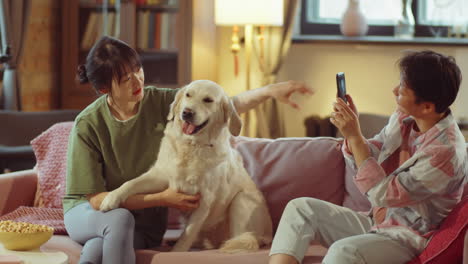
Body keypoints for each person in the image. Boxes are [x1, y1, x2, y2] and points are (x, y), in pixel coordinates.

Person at [63, 36, 313, 264]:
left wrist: (269, 91)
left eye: (137, 69)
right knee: (118, 218)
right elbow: (97, 201)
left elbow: (224, 105)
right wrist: (161, 199)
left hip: (143, 226)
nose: (137, 80)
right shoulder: (89, 123)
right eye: (125, 78)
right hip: (89, 213)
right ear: (106, 88)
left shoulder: (159, 101)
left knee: (97, 250)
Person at [268, 50, 467, 264]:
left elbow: (383, 194)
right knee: (300, 209)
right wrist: (354, 132)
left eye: (402, 89)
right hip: (379, 220)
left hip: (408, 236)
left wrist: (354, 137)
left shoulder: (445, 153)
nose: (394, 91)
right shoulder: (406, 116)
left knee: (345, 251)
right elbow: (377, 151)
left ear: (427, 106)